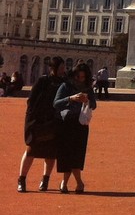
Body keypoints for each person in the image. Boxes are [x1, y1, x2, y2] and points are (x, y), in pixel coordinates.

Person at [17, 56, 65, 193]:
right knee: (31, 150)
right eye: (61, 68)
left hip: (54, 121)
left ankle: (45, 180)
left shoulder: (63, 82)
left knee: (50, 153)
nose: (63, 70)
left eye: (63, 68)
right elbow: (31, 101)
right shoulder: (43, 81)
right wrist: (32, 121)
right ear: (53, 68)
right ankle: (22, 179)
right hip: (38, 121)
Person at [53, 62, 96, 193]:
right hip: (66, 123)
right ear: (74, 75)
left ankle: (66, 183)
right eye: (78, 77)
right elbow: (56, 103)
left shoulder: (88, 88)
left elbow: (94, 105)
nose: (80, 79)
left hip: (80, 124)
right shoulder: (65, 86)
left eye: (83, 77)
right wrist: (71, 98)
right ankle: (77, 183)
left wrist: (87, 101)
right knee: (66, 155)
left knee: (76, 155)